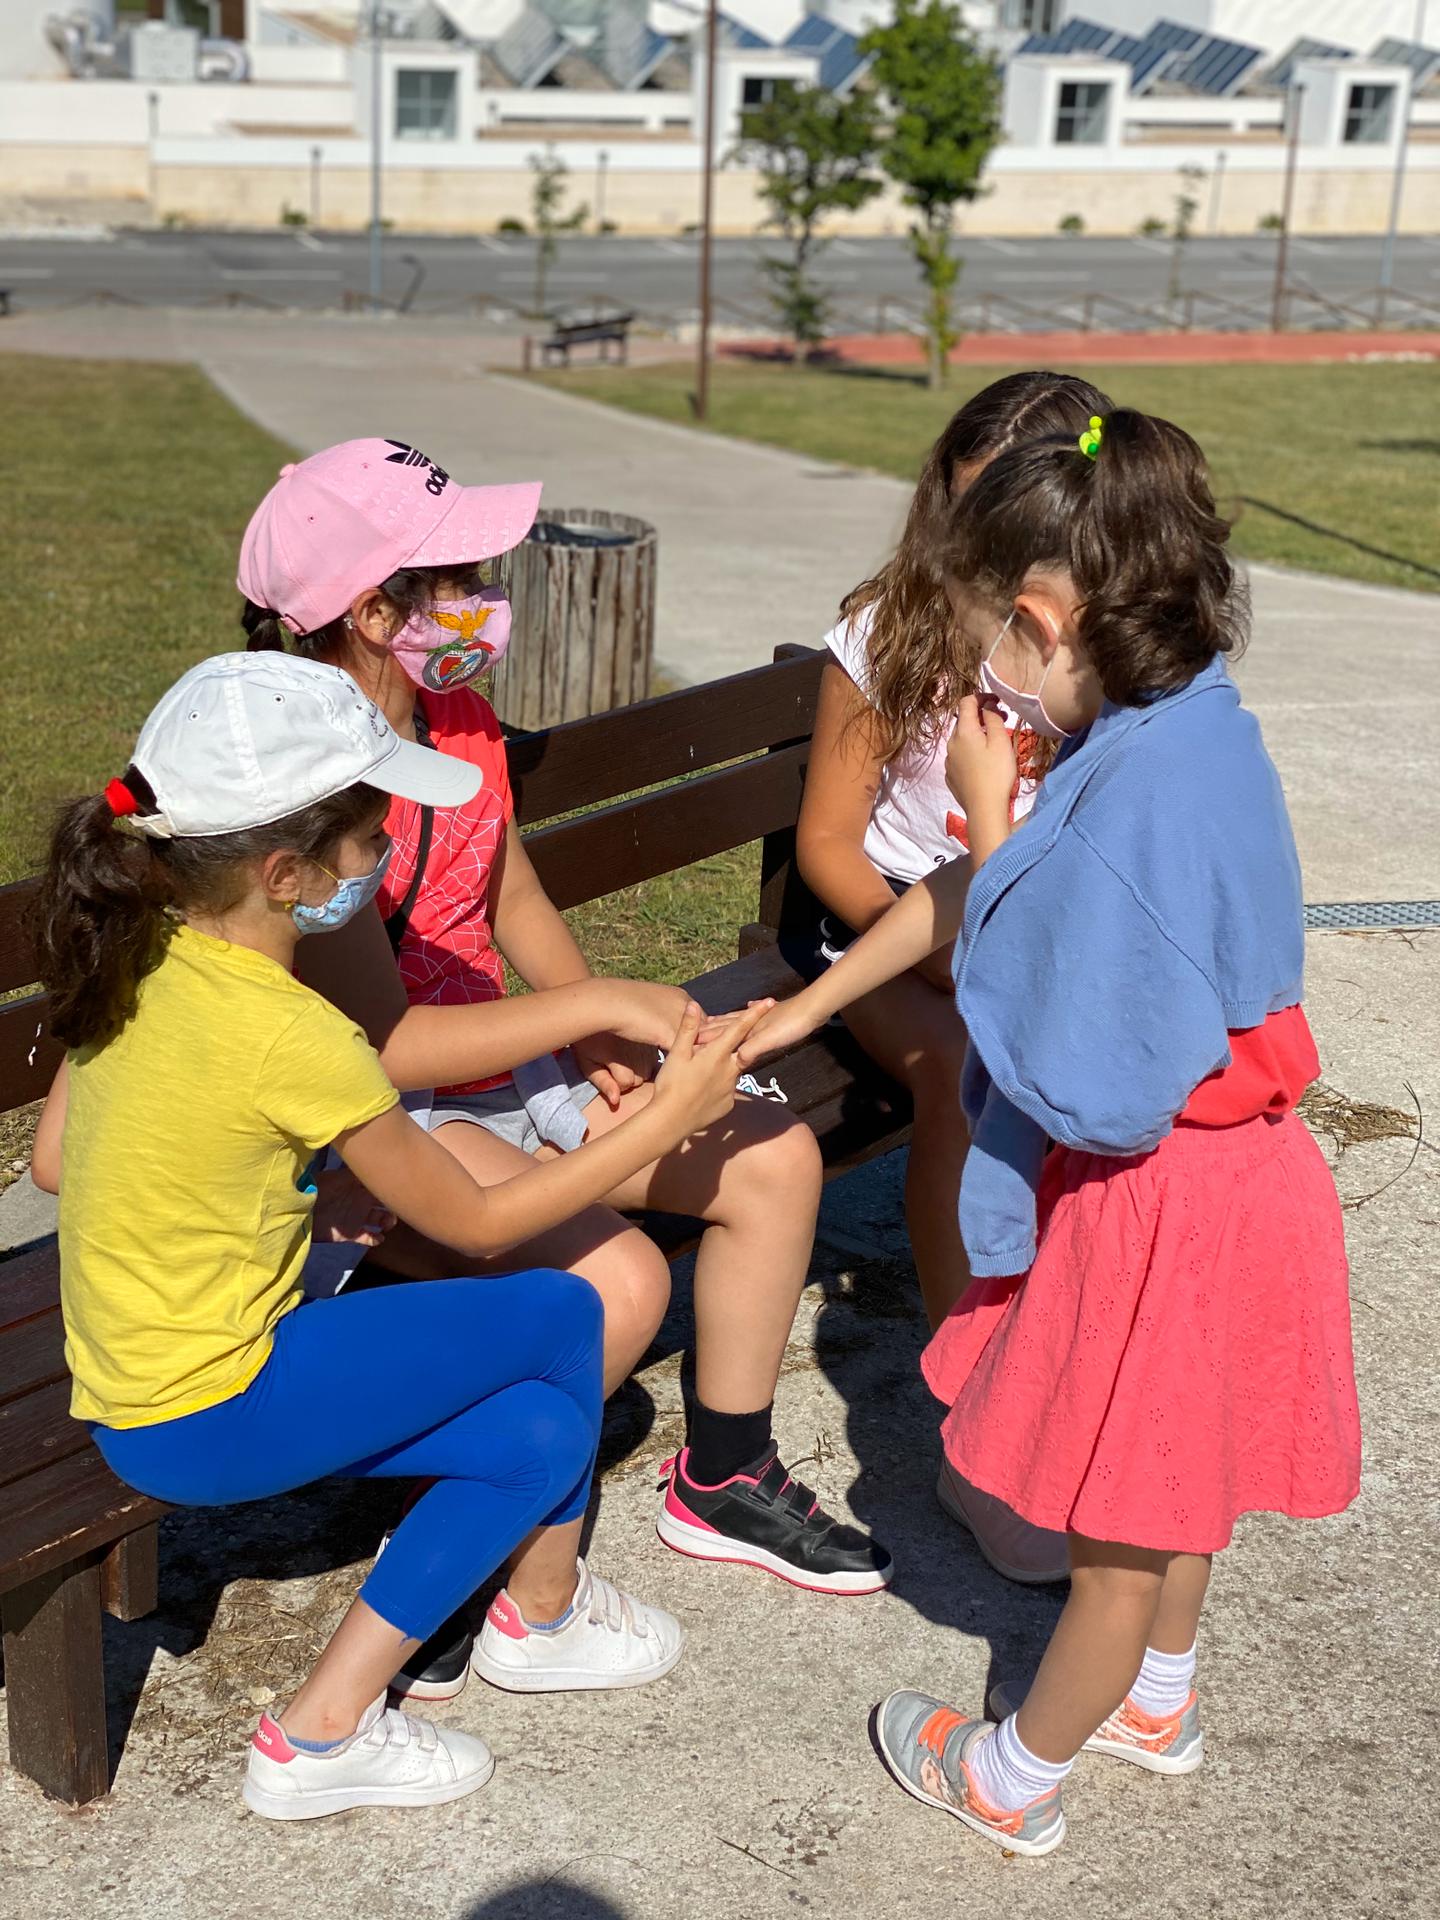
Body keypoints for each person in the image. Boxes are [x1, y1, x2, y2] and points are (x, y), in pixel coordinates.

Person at [732, 409, 1361, 1856]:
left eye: (986, 651)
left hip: (1165, 1198)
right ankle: (1160, 1704)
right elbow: (1000, 902)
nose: (986, 689)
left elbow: (1072, 1052)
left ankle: (1013, 1777)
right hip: (1255, 1181)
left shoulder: (1118, 805)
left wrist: (985, 818)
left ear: (1040, 617)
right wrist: (805, 1004)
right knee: (1184, 1481)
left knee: (1117, 1539)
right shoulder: (1186, 726)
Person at [35, 650, 768, 1821]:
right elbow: (478, 1222)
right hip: (218, 1403)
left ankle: (319, 1733)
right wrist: (666, 1119)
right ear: (286, 874)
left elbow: (55, 1160)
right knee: (562, 1310)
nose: (384, 856)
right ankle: (542, 1615)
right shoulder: (299, 1035)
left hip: (129, 1387)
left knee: (535, 1433)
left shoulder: (138, 950)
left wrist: (269, 1186)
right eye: (372, 836)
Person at [236, 441, 892, 1699]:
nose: (486, 603)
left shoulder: (455, 718)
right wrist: (591, 1010)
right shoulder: (304, 786)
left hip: (499, 1065)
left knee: (772, 1158)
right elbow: (382, 1049)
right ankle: (457, 1540)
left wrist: (588, 1039)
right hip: (375, 1122)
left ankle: (724, 1474)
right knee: (612, 1283)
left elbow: (508, 891)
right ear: (370, 613)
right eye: (457, 582)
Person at [796, 372, 1112, 1586]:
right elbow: (829, 846)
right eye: (975, 508)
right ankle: (976, 1436)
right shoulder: (892, 630)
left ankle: (1069, 1373)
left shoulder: (1096, 637)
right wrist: (933, 946)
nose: (991, 544)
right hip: (881, 930)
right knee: (967, 1077)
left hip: (1032, 935)